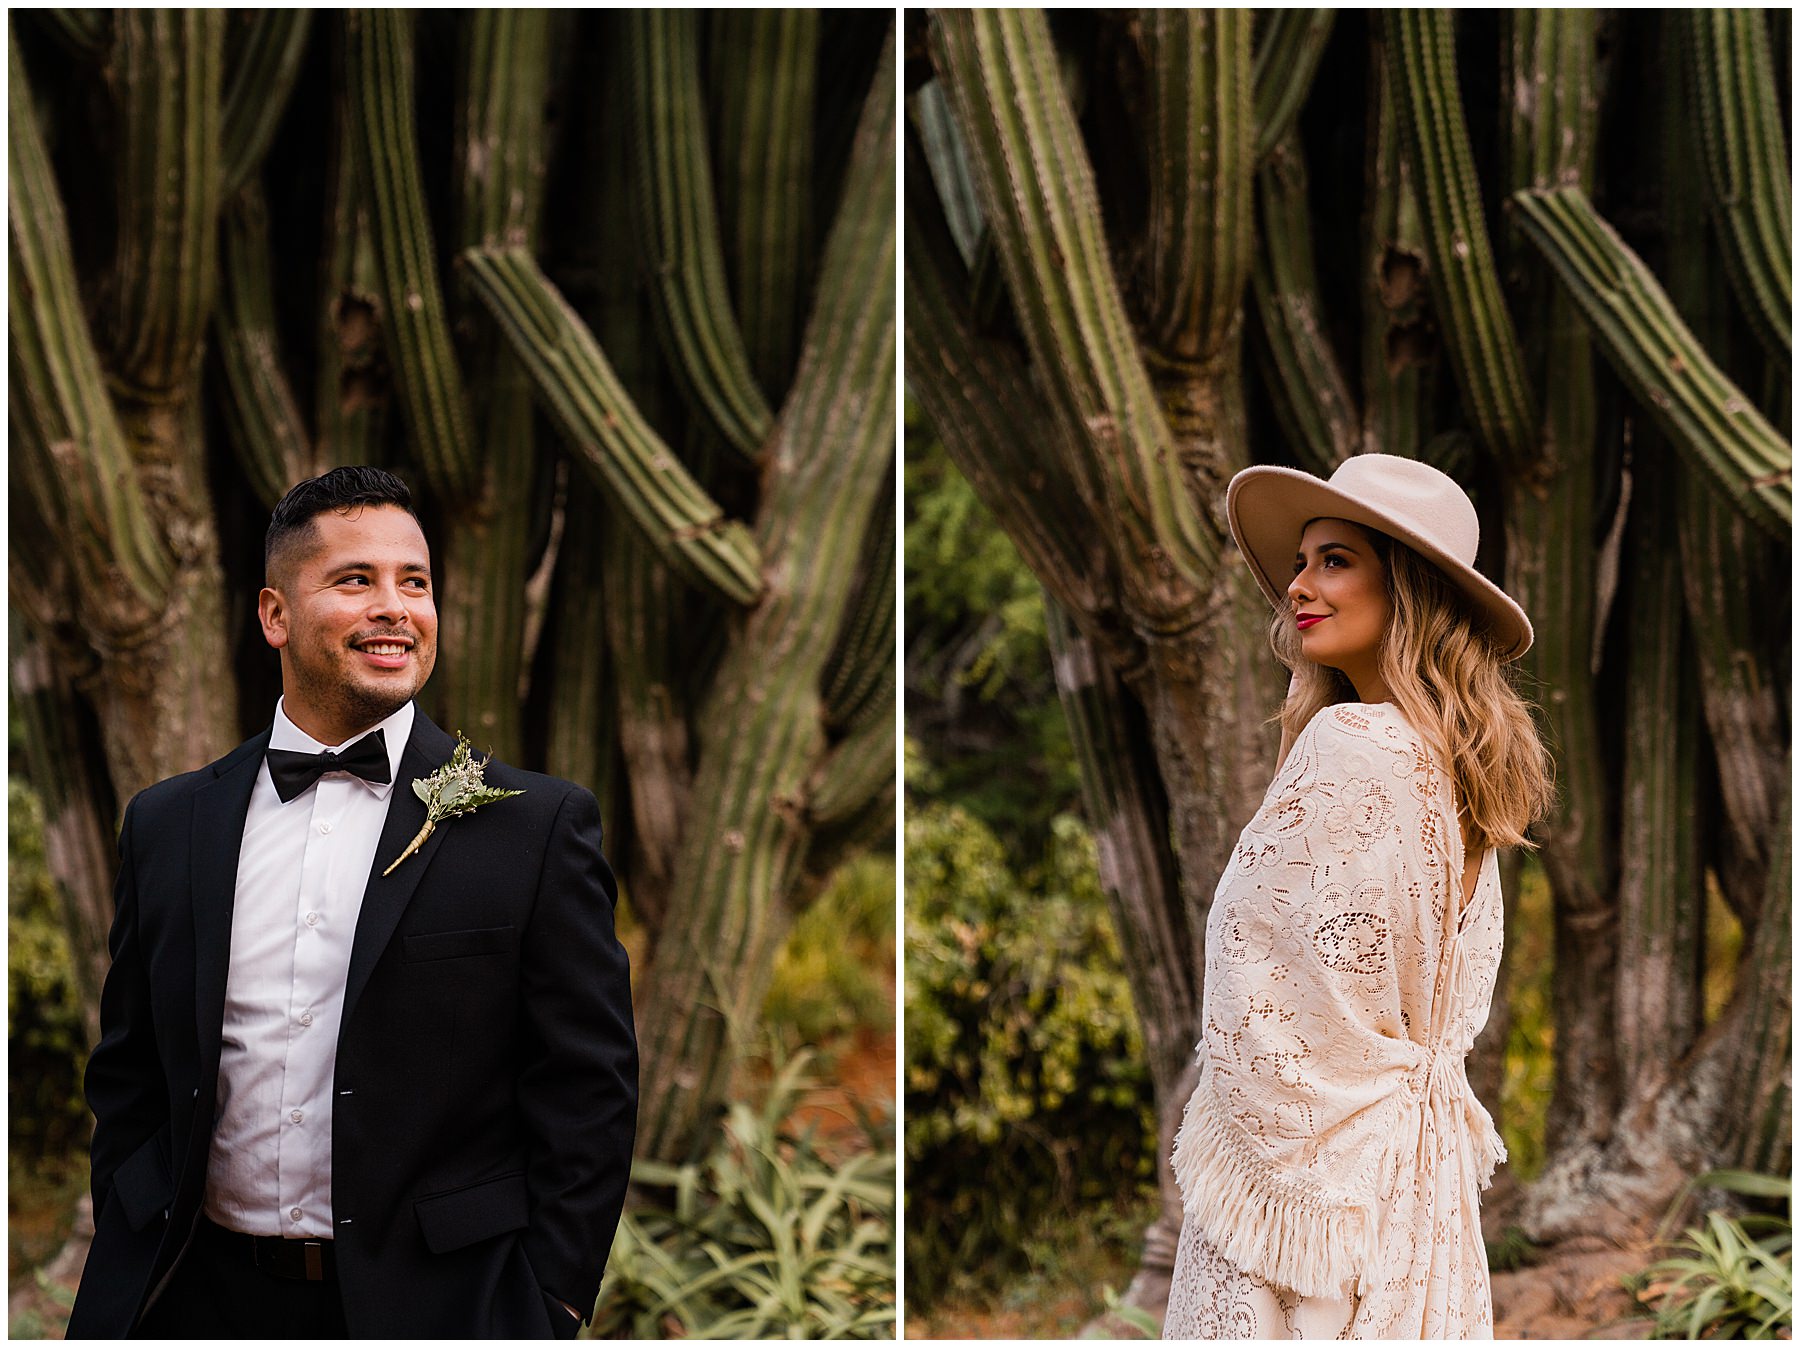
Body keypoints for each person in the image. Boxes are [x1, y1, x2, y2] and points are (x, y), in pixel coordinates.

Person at [67, 467, 638, 1339]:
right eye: (355, 580)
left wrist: (549, 1303)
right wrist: (129, 1225)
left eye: (415, 581)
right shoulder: (168, 824)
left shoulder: (538, 827)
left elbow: (588, 1091)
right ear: (274, 615)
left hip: (443, 1307)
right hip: (195, 1295)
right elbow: (131, 1071)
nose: (395, 606)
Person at [1161, 454, 1553, 1340]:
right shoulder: (1457, 773)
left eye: (1334, 560)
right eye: (1301, 562)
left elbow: (1263, 982)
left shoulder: (1354, 745)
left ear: (1405, 589)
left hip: (1319, 1186)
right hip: (1417, 1191)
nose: (1299, 585)